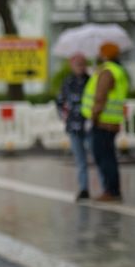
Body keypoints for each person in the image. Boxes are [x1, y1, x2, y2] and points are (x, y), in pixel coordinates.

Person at [81, 42, 129, 202]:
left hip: (102, 122)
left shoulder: (107, 71)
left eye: (101, 52)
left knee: (104, 157)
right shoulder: (118, 70)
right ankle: (113, 190)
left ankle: (111, 191)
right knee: (109, 156)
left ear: (105, 55)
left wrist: (93, 117)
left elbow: (100, 97)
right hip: (112, 121)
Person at [55, 53, 91, 200]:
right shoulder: (68, 82)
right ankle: (84, 189)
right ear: (72, 65)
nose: (80, 67)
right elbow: (59, 101)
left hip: (89, 126)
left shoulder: (91, 80)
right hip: (74, 127)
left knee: (97, 158)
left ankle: (106, 188)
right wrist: (64, 117)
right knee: (80, 160)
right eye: (77, 64)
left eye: (82, 64)